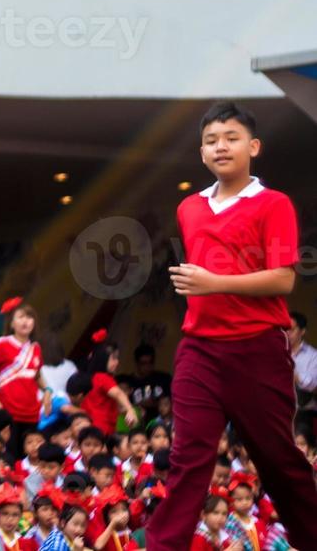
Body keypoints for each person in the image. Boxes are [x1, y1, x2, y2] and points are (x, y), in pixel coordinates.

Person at [145, 101, 317, 551]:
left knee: (278, 458)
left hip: (258, 350)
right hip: (199, 349)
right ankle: (164, 545)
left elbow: (283, 278)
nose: (220, 147)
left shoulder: (274, 204)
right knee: (187, 457)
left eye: (231, 138)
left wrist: (214, 282)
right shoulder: (189, 208)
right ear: (202, 153)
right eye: (210, 141)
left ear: (253, 146)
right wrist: (205, 285)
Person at [0, 301, 48, 464]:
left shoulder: (35, 348)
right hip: (9, 414)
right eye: (20, 317)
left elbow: (36, 375)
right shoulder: (2, 344)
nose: (25, 321)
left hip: (32, 414)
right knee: (9, 460)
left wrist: (48, 390)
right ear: (11, 323)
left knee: (30, 461)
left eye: (29, 317)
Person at [77, 336, 136, 435]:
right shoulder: (103, 378)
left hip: (93, 427)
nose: (117, 362)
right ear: (103, 359)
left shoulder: (93, 377)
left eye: (117, 358)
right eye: (113, 358)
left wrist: (124, 412)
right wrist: (130, 409)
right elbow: (118, 393)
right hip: (101, 429)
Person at [121, 345, 171, 425]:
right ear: (137, 363)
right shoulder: (128, 382)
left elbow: (169, 402)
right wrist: (139, 404)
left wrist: (156, 403)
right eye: (143, 363)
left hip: (159, 425)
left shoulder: (163, 379)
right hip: (134, 425)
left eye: (150, 362)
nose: (147, 367)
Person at [286, 313, 317, 400]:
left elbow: (314, 386)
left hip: (304, 410)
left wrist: (293, 375)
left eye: (291, 330)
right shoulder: (275, 352)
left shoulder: (313, 355)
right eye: (284, 330)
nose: (287, 333)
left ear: (302, 331)